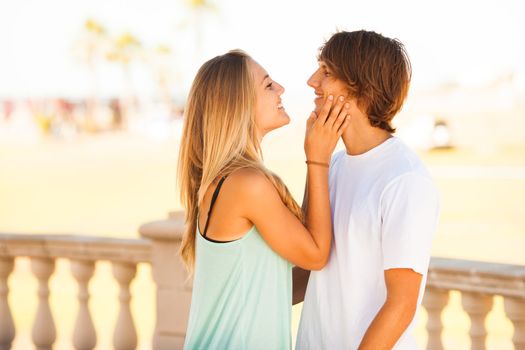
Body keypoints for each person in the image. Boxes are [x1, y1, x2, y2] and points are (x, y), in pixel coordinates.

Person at [177, 49, 350, 349]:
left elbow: (284, 282)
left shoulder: (227, 181)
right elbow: (316, 254)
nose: (281, 88)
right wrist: (318, 158)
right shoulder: (246, 185)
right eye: (269, 85)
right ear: (238, 104)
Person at [294, 30, 440, 349]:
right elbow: (306, 267)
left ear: (360, 87)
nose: (311, 81)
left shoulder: (404, 178)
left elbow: (401, 304)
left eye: (327, 72)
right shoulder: (328, 165)